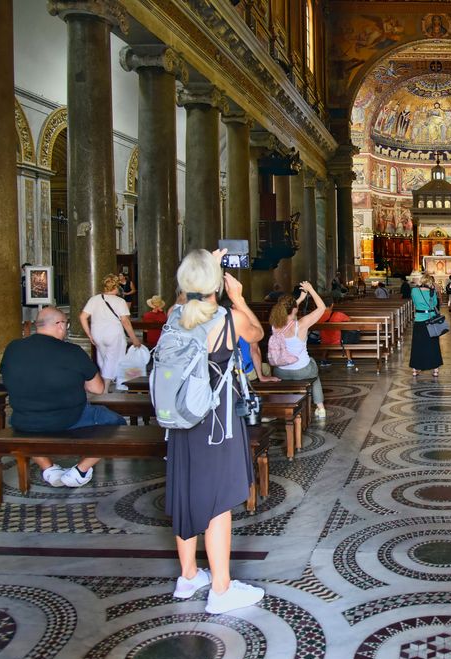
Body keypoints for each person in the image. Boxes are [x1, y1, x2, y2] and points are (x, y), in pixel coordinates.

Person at [164, 248, 266, 614]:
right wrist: (237, 297)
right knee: (219, 502)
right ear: (216, 285)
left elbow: (189, 298)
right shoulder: (226, 318)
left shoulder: (173, 316)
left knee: (185, 492)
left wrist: (204, 264)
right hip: (216, 424)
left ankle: (189, 575)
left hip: (179, 422)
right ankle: (220, 590)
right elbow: (256, 334)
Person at [0, 306, 125, 488]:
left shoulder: (13, 348)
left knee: (20, 429)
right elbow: (97, 389)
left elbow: (8, 375)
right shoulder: (72, 351)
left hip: (23, 419)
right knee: (118, 424)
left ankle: (48, 468)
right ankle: (81, 470)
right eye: (66, 325)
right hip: (68, 419)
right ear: (59, 325)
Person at [269, 283, 328, 418]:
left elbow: (286, 308)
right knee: (315, 376)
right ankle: (320, 408)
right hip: (302, 370)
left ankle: (275, 410)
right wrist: (311, 290)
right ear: (294, 309)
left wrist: (300, 299)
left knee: (308, 370)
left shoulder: (275, 325)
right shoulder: (301, 324)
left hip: (281, 371)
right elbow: (322, 307)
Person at [79, 273, 142, 391]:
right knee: (114, 359)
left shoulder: (94, 299)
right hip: (114, 334)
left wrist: (89, 334)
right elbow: (125, 322)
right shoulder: (120, 301)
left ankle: (118, 382)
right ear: (117, 286)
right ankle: (105, 389)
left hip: (97, 333)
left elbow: (82, 317)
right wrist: (134, 338)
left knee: (104, 359)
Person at [410, 273, 443, 377]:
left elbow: (415, 302)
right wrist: (432, 290)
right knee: (433, 345)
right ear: (430, 282)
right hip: (431, 320)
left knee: (417, 345)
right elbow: (434, 305)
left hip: (419, 320)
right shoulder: (432, 292)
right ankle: (435, 370)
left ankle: (415, 369)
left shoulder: (414, 291)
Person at [316, 295, 355, 368]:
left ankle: (323, 359)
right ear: (332, 305)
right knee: (346, 338)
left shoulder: (318, 315)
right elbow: (349, 320)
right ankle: (349, 360)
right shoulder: (338, 314)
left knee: (325, 339)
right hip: (338, 341)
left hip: (323, 341)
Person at [20, 262, 35, 337]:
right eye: (23, 269)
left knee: (37, 322)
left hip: (35, 304)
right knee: (26, 322)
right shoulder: (22, 279)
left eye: (25, 268)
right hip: (25, 303)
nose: (24, 270)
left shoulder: (35, 277)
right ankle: (27, 338)